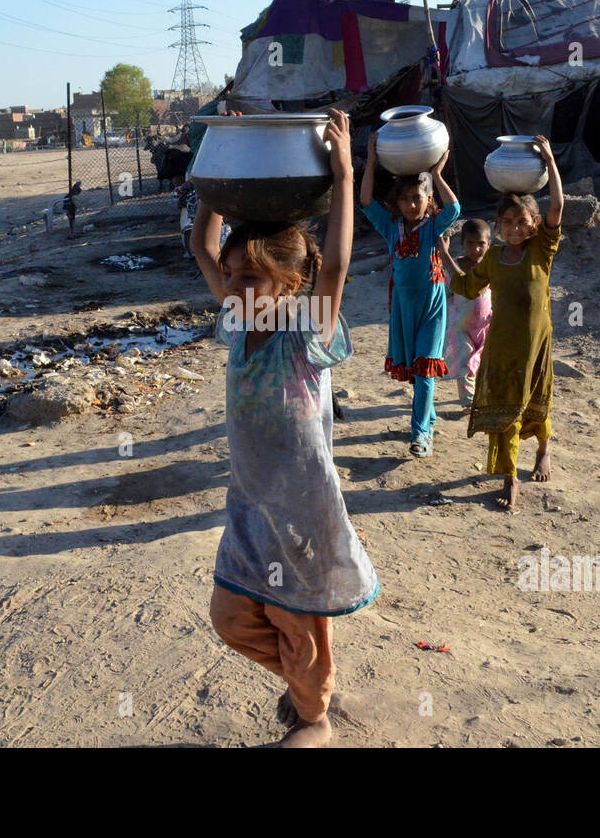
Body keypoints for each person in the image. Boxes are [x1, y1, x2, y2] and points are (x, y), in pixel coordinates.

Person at [190, 108, 376, 749]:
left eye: (251, 278)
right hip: (248, 507)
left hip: (300, 514)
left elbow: (338, 263)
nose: (233, 286)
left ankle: (314, 716)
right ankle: (310, 687)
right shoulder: (238, 323)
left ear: (292, 285)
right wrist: (224, 166)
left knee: (299, 627)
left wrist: (345, 172)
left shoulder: (307, 332)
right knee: (231, 617)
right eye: (233, 275)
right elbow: (202, 248)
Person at [437, 136, 563, 511]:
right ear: (499, 225)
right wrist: (445, 254)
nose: (514, 229)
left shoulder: (542, 249)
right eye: (506, 223)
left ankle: (543, 451)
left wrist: (551, 160)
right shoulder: (492, 258)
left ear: (534, 224)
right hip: (501, 349)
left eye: (521, 222)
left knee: (538, 403)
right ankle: (510, 477)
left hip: (536, 346)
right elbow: (464, 285)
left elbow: (557, 203)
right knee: (506, 410)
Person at [359, 135, 461, 457]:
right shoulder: (392, 229)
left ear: (429, 199)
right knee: (416, 375)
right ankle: (428, 416)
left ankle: (420, 435)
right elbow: (364, 202)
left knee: (424, 368)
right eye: (404, 199)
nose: (411, 204)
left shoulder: (433, 227)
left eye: (417, 197)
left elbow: (455, 208)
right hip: (403, 309)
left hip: (432, 308)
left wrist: (438, 174)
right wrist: (372, 161)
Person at [442, 218, 493, 412]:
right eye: (470, 244)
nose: (476, 249)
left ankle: (481, 394)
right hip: (460, 326)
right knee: (464, 362)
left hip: (485, 326)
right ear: (462, 243)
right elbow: (445, 293)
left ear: (488, 244)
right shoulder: (454, 267)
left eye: (481, 244)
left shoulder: (491, 267)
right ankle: (468, 402)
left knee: (481, 362)